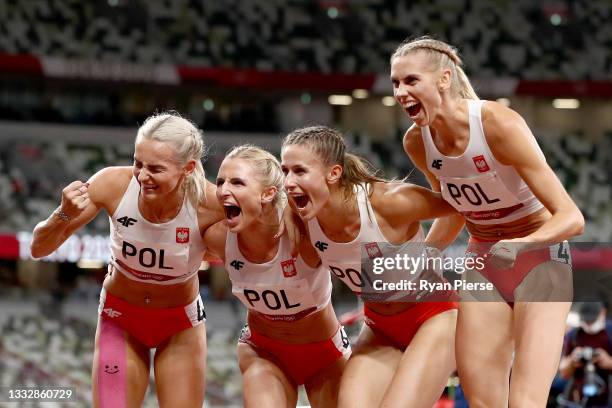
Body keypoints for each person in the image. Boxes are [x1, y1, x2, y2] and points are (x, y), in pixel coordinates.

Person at [395, 36, 584, 407]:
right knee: (481, 400)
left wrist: (522, 245)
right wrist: (421, 258)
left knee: (526, 401)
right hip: (483, 259)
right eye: (395, 83)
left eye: (411, 80)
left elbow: (571, 217)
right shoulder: (417, 142)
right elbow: (454, 211)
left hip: (540, 258)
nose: (401, 92)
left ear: (444, 79)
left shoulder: (497, 123)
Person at [30, 112, 224, 407]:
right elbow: (39, 248)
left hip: (179, 326)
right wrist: (64, 213)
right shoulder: (113, 184)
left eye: (156, 169)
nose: (143, 176)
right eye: (138, 163)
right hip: (121, 319)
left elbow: (250, 256)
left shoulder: (211, 204)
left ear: (188, 168)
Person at [281, 125, 459, 408]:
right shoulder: (300, 217)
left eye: (299, 171)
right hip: (379, 327)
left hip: (434, 318)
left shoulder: (388, 202)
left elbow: (460, 206)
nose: (289, 182)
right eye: (284, 171)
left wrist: (430, 251)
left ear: (334, 173)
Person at [202, 144, 350, 407]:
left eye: (237, 183)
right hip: (263, 351)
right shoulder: (218, 237)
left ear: (269, 193)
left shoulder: (305, 233)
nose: (224, 190)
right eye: (221, 181)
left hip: (324, 355)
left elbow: (348, 209)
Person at [559, 301, 612, 407]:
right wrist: (572, 361)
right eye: (586, 321)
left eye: (592, 321)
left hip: (605, 399)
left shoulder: (609, 333)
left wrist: (608, 362)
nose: (589, 325)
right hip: (577, 399)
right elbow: (563, 372)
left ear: (602, 313)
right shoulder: (574, 335)